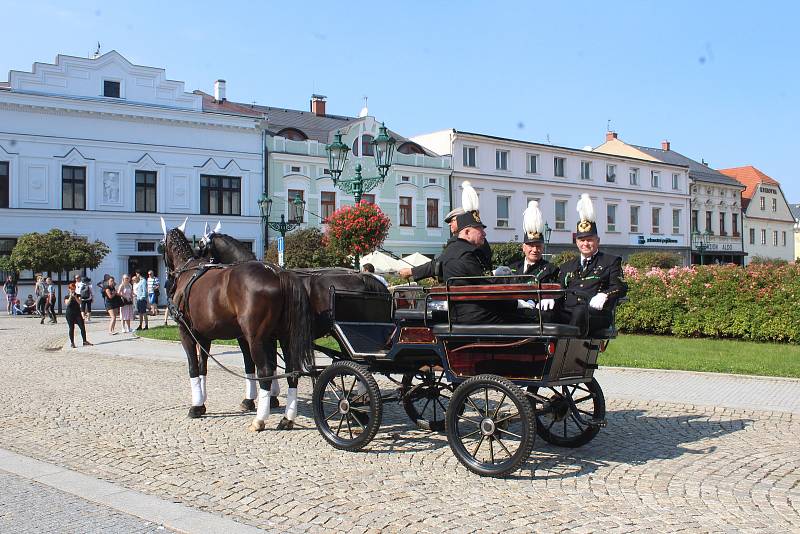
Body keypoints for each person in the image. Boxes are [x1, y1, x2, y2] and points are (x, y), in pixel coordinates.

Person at [556, 194, 627, 335]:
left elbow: (620, 286)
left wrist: (605, 295)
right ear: (576, 242)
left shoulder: (610, 261)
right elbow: (559, 290)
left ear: (597, 240)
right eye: (581, 240)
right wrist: (549, 301)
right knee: (545, 313)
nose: (585, 244)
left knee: (580, 311)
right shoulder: (567, 266)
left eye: (589, 239)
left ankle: (570, 351)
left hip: (596, 314)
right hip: (569, 312)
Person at [399, 182, 492, 281]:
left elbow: (437, 264)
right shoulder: (464, 245)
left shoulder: (460, 244)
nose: (449, 224)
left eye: (452, 220)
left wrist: (411, 271)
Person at [438, 210, 517, 324]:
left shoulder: (453, 250)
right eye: (480, 230)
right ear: (467, 232)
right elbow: (486, 287)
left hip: (462, 314)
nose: (484, 234)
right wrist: (516, 303)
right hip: (477, 316)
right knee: (532, 318)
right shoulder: (468, 254)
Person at [64, 282, 92, 348]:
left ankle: (84, 341)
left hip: (77, 313)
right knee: (71, 328)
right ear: (69, 289)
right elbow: (67, 304)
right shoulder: (66, 296)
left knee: (82, 327)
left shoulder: (78, 295)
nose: (72, 290)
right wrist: (71, 297)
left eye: (73, 289)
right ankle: (72, 343)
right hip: (69, 314)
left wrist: (75, 297)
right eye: (71, 289)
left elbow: (80, 302)